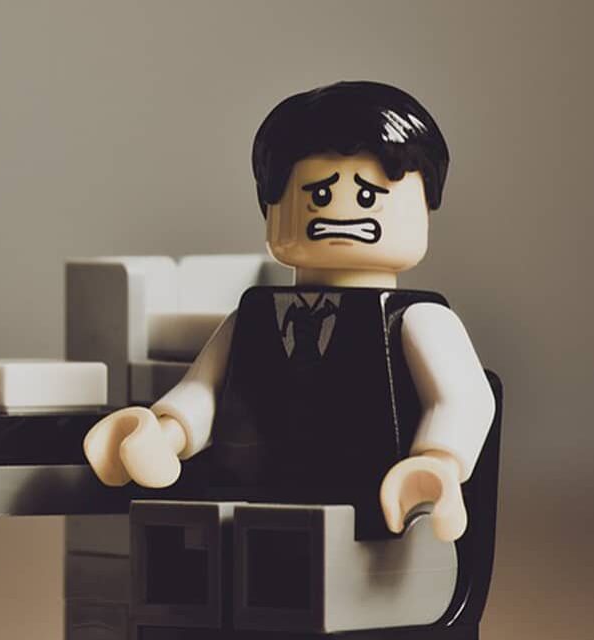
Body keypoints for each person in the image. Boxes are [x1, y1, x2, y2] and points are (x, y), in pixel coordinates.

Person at [84, 80, 496, 544]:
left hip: (374, 518)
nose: (341, 213)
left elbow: (464, 398)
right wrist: (168, 434)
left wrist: (436, 461)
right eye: (318, 195)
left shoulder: (419, 320)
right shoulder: (254, 314)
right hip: (253, 505)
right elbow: (205, 391)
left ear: (426, 206)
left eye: (367, 196)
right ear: (271, 206)